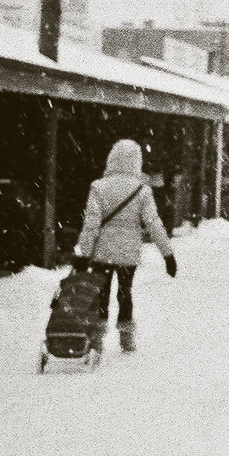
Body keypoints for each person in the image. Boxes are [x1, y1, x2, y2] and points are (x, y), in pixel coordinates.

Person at [74, 139, 177, 353]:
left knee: (101, 293)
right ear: (136, 161)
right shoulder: (142, 190)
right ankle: (126, 338)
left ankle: (97, 339)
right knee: (125, 292)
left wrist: (83, 254)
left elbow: (91, 223)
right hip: (128, 252)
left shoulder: (98, 187)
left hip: (102, 251)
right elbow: (154, 223)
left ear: (112, 158)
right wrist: (168, 255)